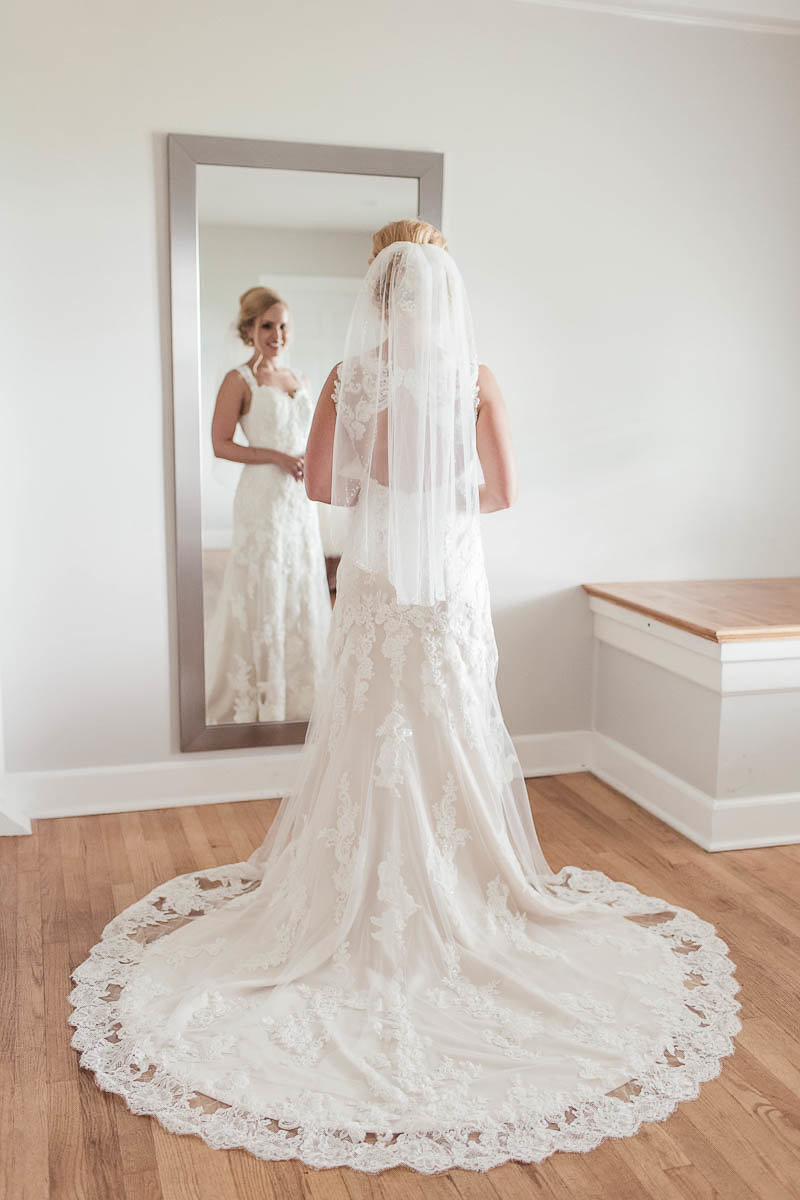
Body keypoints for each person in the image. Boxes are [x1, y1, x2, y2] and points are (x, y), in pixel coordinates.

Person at [69, 220, 739, 1173]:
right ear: (444, 286)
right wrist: (444, 484)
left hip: (380, 586)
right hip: (449, 585)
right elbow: (503, 493)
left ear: (378, 290)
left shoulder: (346, 375)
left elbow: (330, 488)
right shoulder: (476, 377)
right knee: (452, 719)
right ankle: (474, 891)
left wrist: (389, 479)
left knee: (369, 726)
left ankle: (350, 891)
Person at [204, 287, 332, 723]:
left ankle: (303, 691)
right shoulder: (239, 380)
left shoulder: (301, 379)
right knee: (263, 582)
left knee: (299, 580)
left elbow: (313, 439)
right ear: (249, 329)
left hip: (299, 499)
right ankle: (260, 691)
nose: (277, 334)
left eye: (282, 326)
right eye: (267, 325)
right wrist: (277, 457)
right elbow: (220, 444)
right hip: (262, 496)